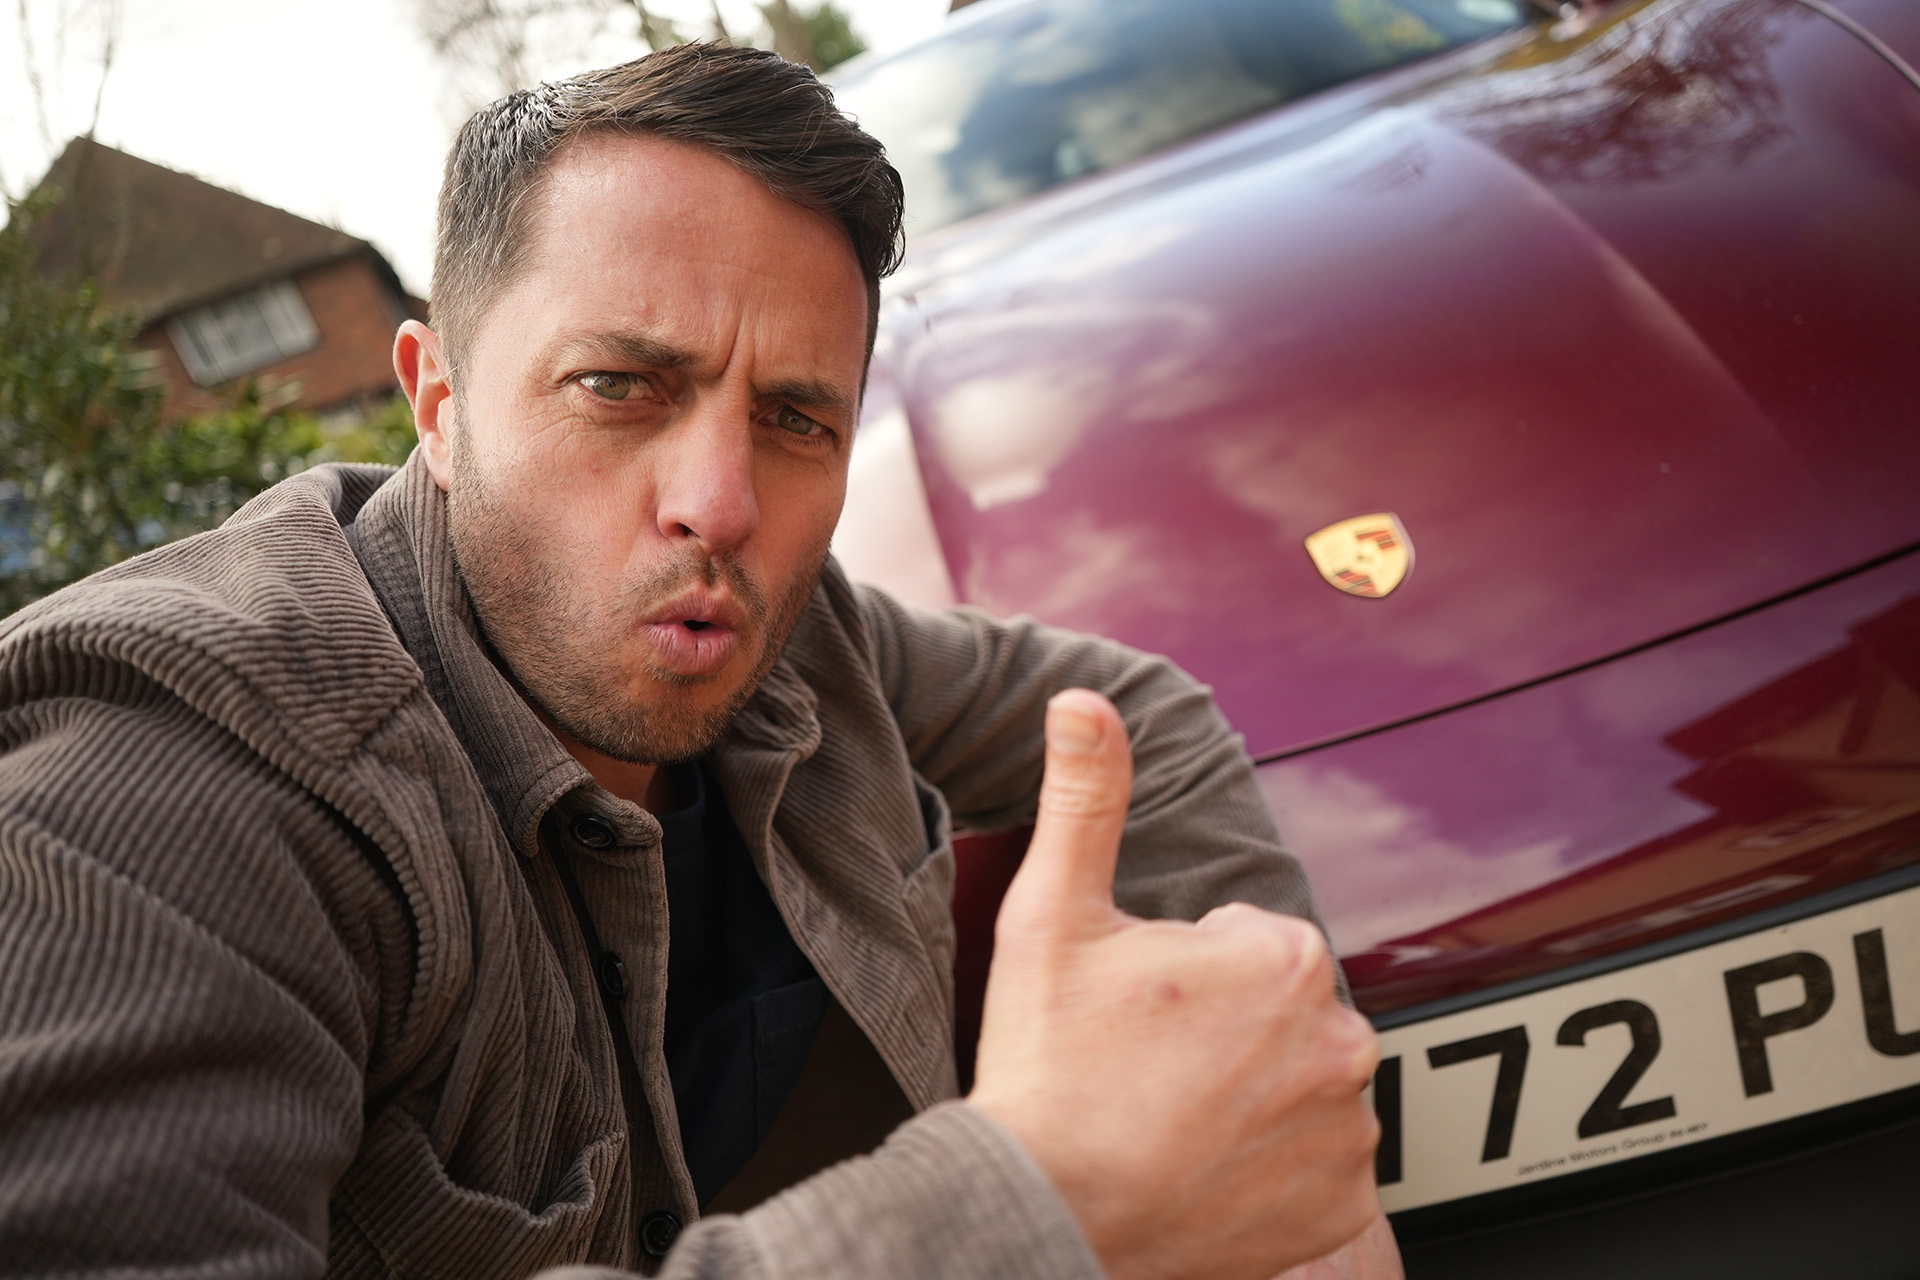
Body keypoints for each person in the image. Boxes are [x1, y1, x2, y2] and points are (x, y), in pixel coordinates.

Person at [0, 43, 1398, 1280]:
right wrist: (1036, 1213)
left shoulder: (804, 638)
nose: (719, 503)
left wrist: (1297, 1171)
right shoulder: (154, 792)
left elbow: (1137, 716)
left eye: (797, 420)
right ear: (436, 402)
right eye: (621, 387)